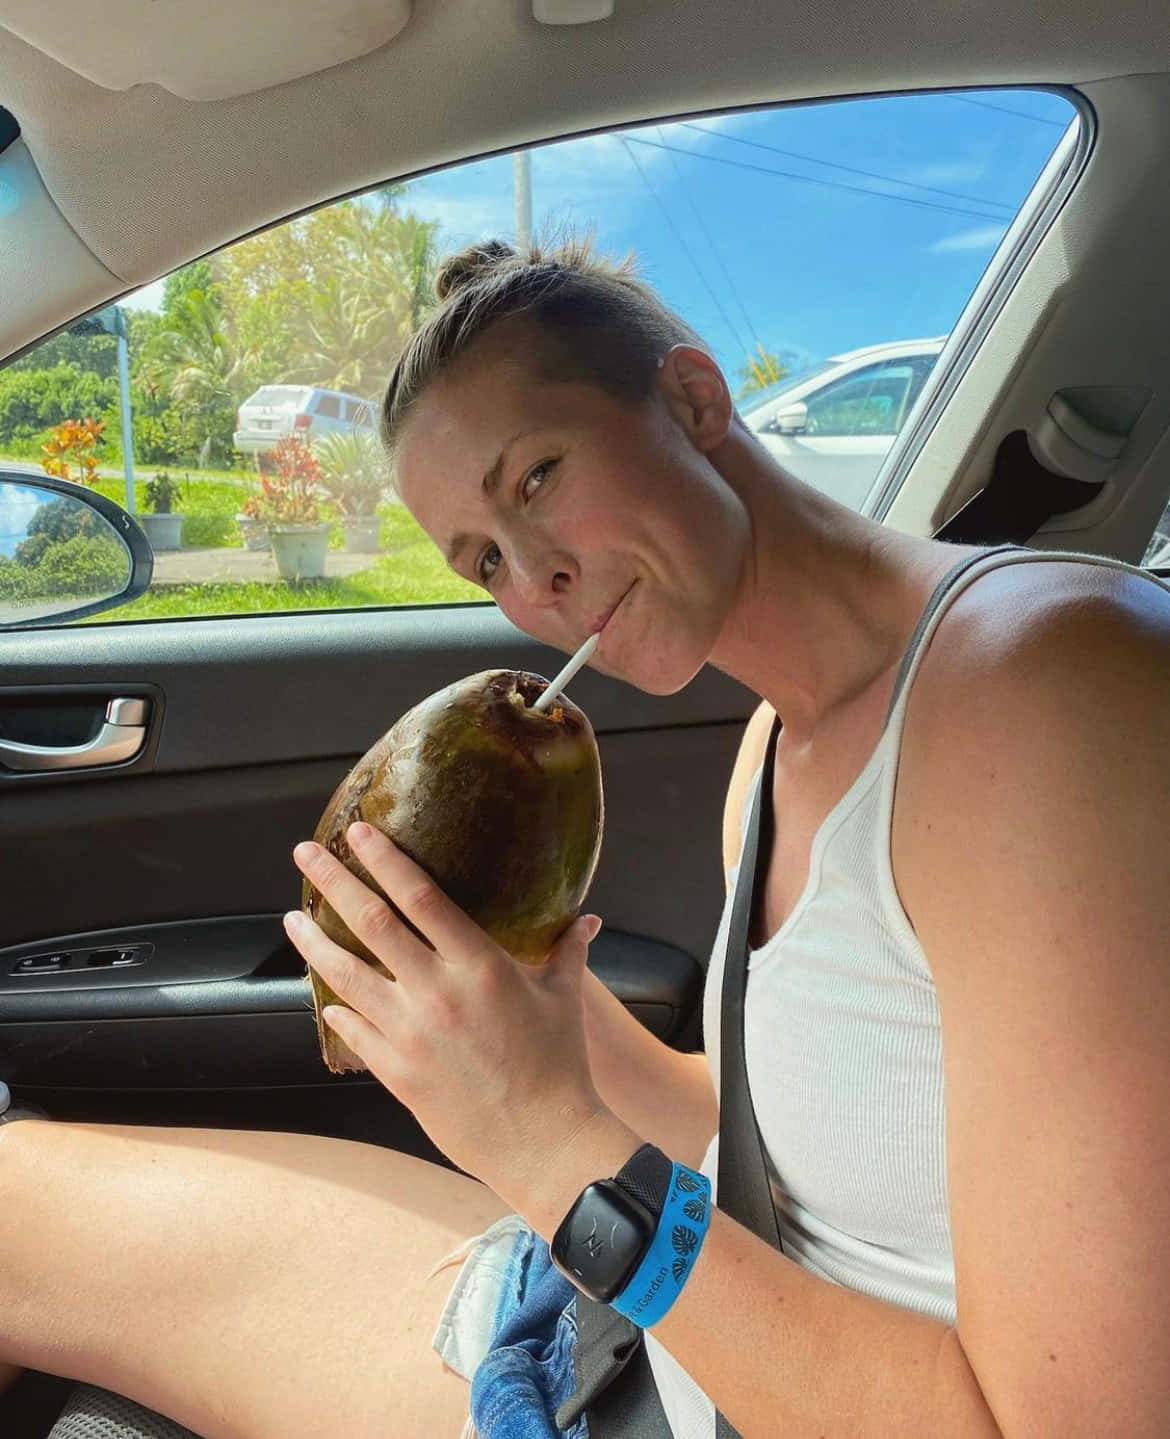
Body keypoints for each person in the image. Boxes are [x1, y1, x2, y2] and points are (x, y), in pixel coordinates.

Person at [2, 238, 1168, 1439]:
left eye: (539, 477)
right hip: (648, 1338)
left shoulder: (1050, 692)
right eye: (485, 560)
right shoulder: (778, 743)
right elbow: (781, 1149)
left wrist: (550, 1146)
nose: (537, 578)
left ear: (694, 399)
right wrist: (545, 1029)